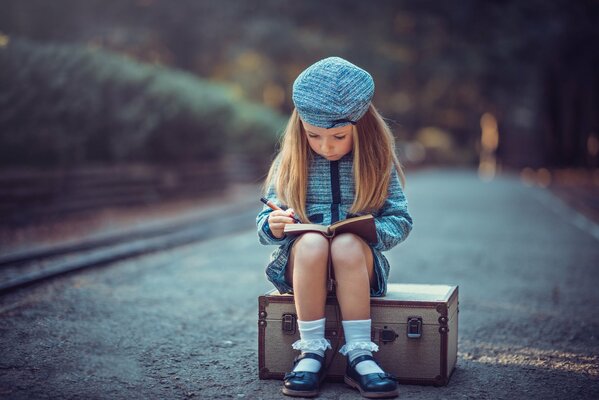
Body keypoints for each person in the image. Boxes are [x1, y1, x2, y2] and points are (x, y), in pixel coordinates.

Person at [256, 57, 413, 398]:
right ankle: (311, 350)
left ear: (362, 126)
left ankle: (359, 354)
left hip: (359, 265)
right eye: (314, 136)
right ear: (301, 128)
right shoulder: (291, 161)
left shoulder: (377, 161)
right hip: (301, 265)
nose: (326, 147)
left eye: (338, 136)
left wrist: (369, 232)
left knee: (344, 245)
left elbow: (401, 220)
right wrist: (275, 225)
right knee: (313, 242)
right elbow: (264, 224)